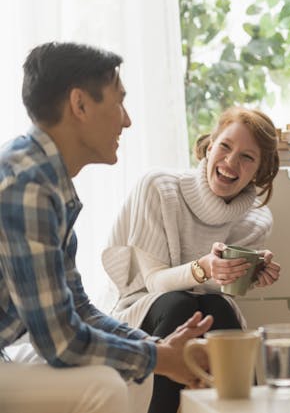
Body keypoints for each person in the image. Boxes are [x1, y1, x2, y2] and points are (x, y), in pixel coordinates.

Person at [0, 42, 213, 413]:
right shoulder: (27, 184)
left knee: (134, 373)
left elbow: (78, 308)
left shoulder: (46, 179)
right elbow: (61, 341)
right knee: (104, 386)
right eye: (119, 102)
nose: (127, 120)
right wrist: (160, 358)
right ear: (80, 104)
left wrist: (155, 349)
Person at [102, 106, 282, 413]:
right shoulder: (159, 187)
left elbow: (221, 290)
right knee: (179, 304)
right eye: (225, 147)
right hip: (142, 303)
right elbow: (154, 282)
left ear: (259, 171)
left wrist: (247, 273)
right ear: (210, 146)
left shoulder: (256, 220)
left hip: (203, 305)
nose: (230, 162)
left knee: (219, 307)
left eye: (247, 157)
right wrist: (203, 267)